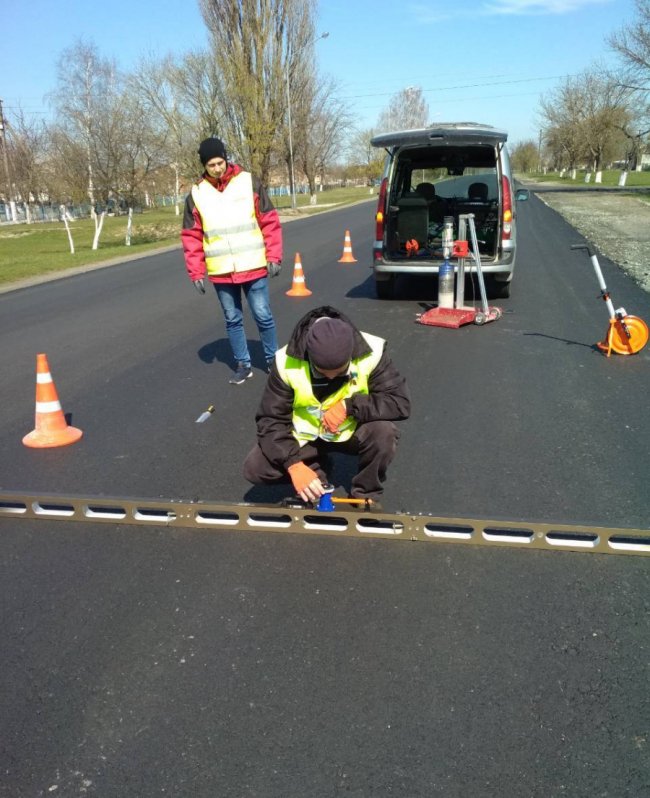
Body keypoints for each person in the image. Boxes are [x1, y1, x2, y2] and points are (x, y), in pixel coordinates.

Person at [243, 306, 411, 507]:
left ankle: (365, 493)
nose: (331, 377)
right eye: (322, 372)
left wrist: (350, 407)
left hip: (349, 431)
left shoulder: (371, 352)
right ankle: (316, 473)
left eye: (340, 372)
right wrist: (294, 465)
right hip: (307, 436)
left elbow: (399, 402)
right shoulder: (286, 361)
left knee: (384, 432)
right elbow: (271, 420)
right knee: (255, 467)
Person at [181, 137, 283, 385]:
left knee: (263, 314)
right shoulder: (196, 194)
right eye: (211, 165)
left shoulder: (248, 182)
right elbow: (191, 236)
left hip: (253, 264)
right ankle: (243, 364)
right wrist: (196, 272)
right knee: (232, 318)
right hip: (222, 271)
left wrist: (274, 255)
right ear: (204, 166)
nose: (217, 168)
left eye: (220, 162)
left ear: (226, 159)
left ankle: (273, 360)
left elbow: (269, 220)